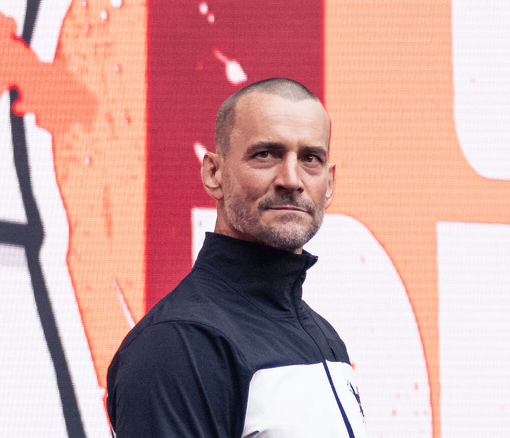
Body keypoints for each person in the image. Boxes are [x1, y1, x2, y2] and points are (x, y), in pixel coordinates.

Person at [107, 78, 366, 437]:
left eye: (310, 158)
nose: (291, 179)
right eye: (265, 155)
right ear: (214, 173)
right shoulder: (177, 344)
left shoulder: (325, 337)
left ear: (330, 183)